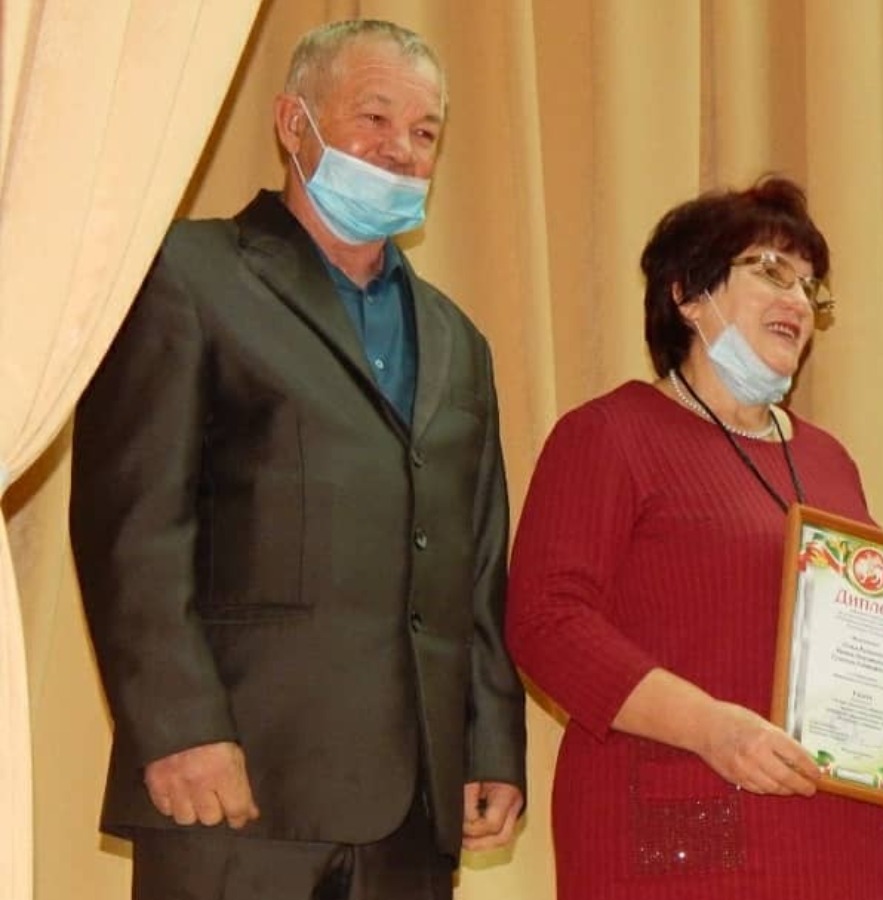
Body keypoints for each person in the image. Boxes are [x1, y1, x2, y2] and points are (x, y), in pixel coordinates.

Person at [69, 20, 526, 900]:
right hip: (234, 790)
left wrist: (490, 744)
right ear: (292, 122)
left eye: (425, 132)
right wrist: (176, 726)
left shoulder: (458, 340)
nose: (400, 150)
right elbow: (133, 524)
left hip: (414, 812)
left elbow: (474, 562)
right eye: (374, 118)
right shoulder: (184, 273)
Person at [504, 176, 883, 899]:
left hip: (846, 854)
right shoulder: (609, 434)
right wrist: (710, 728)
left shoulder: (828, 458)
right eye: (771, 271)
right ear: (687, 294)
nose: (799, 300)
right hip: (678, 850)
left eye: (810, 286)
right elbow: (546, 622)